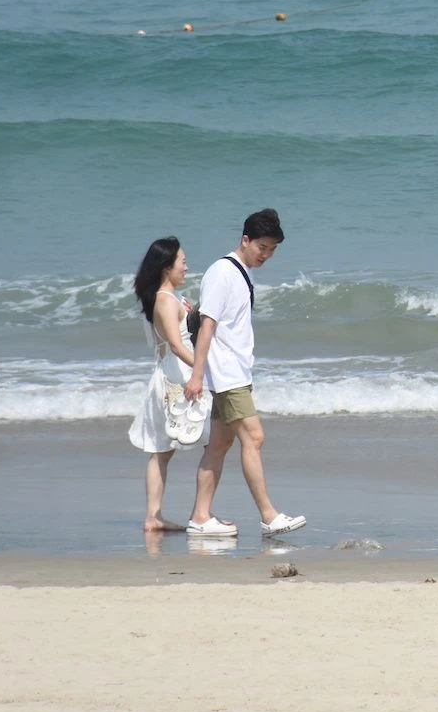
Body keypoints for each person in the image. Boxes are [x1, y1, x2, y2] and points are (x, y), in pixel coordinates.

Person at [183, 208, 307, 538]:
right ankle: (269, 516)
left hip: (235, 373)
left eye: (272, 250)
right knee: (254, 437)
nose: (266, 255)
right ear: (245, 240)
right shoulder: (223, 272)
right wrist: (197, 375)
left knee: (219, 446)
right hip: (226, 377)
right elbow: (207, 325)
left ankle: (200, 517)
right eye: (262, 247)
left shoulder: (241, 273)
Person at [129, 235, 200, 533]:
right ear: (166, 266)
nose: (186, 266)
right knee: (171, 447)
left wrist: (192, 313)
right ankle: (196, 514)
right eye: (182, 262)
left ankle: (154, 517)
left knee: (162, 450)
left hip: (167, 376)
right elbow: (175, 343)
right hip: (176, 378)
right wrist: (203, 369)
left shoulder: (164, 299)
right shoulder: (166, 300)